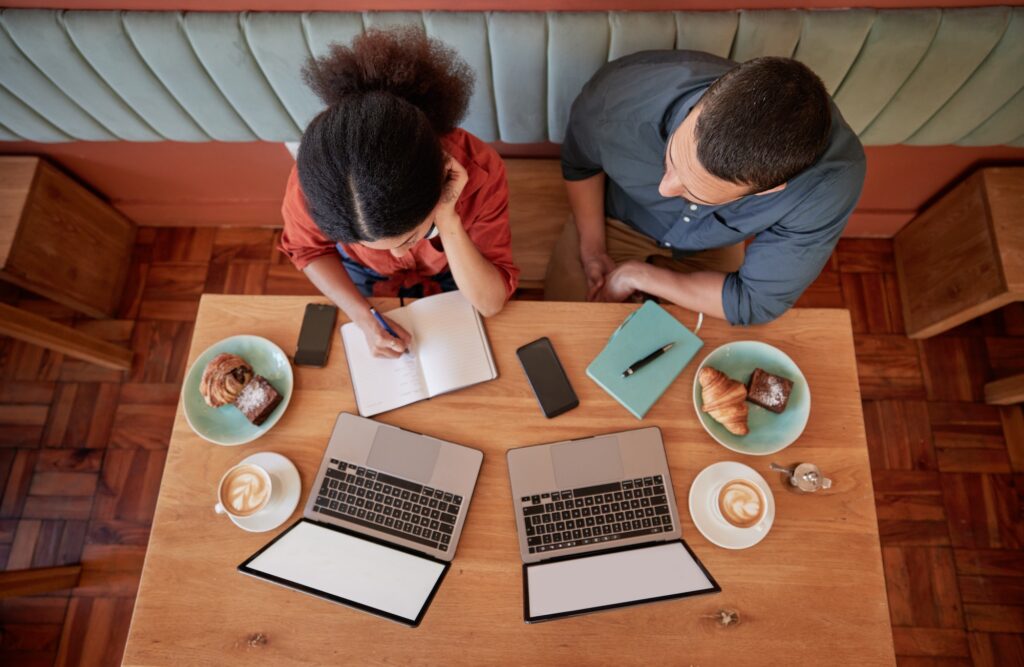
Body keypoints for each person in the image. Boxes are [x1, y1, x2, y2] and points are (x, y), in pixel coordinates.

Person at [546, 51, 866, 325]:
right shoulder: (617, 98)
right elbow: (580, 164)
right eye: (672, 158)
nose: (664, 188)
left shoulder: (829, 183)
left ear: (767, 190)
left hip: (709, 250)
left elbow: (754, 301)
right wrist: (592, 250)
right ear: (702, 104)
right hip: (612, 219)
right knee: (571, 334)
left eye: (694, 192)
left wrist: (637, 275)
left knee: (699, 363)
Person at [280, 27, 518, 358]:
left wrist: (447, 220)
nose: (395, 255)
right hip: (362, 273)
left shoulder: (480, 170)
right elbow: (307, 251)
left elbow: (491, 303)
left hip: (452, 265)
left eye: (411, 238)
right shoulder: (316, 183)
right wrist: (363, 318)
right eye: (367, 241)